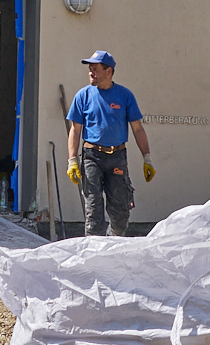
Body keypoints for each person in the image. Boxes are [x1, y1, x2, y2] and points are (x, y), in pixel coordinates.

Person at [65, 50, 155, 236]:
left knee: (121, 211)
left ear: (109, 71)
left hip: (117, 157)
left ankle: (113, 245)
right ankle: (94, 254)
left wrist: (147, 157)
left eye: (95, 69)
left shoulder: (125, 96)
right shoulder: (83, 96)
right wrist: (72, 160)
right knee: (94, 211)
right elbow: (75, 130)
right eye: (90, 69)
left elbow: (137, 129)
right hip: (92, 157)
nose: (91, 73)